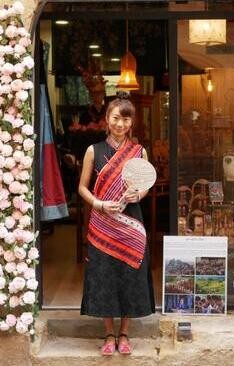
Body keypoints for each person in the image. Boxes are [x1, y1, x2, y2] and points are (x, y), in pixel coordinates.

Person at [78, 92, 155, 356]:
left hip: (131, 223)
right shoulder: (94, 151)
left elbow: (144, 185)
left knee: (130, 277)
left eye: (125, 119)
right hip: (102, 223)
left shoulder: (139, 151)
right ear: (107, 120)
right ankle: (109, 334)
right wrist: (99, 205)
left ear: (131, 122)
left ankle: (124, 334)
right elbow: (82, 188)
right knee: (105, 277)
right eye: (115, 118)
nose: (120, 124)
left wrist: (139, 194)